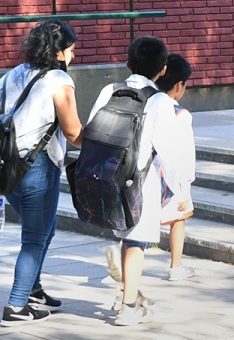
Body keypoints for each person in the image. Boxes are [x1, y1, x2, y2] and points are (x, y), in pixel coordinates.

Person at [0, 20, 82, 327]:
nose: (73, 56)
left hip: (7, 171)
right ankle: (16, 306)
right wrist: (103, 145)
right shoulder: (58, 80)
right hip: (37, 169)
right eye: (71, 50)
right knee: (34, 238)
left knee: (47, 226)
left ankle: (33, 290)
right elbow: (73, 132)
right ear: (58, 53)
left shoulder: (8, 77)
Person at [89, 36, 171, 326]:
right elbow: (167, 148)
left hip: (108, 176)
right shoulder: (161, 100)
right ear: (162, 70)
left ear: (127, 64)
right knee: (136, 243)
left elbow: (91, 129)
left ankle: (129, 293)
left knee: (127, 238)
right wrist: (176, 188)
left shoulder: (109, 90)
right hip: (140, 179)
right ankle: (128, 307)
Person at [152, 53, 196, 281]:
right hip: (170, 178)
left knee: (136, 224)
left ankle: (122, 259)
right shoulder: (180, 114)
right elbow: (184, 154)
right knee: (178, 219)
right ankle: (175, 266)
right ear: (179, 85)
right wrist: (184, 188)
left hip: (144, 174)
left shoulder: (147, 104)